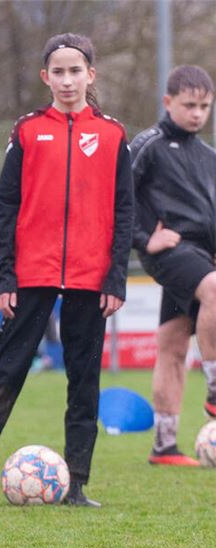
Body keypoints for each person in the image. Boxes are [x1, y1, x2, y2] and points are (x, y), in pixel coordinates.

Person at [0, 33, 133, 508]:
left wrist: (116, 278)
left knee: (83, 383)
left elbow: (125, 211)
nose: (68, 79)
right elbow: (5, 206)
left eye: (76, 71)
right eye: (59, 71)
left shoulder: (113, 134)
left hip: (91, 281)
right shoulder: (28, 131)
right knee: (5, 377)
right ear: (45, 77)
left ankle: (77, 486)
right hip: (31, 275)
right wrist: (4, 277)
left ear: (90, 75)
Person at [131, 65, 216, 467]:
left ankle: (164, 446)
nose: (198, 114)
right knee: (215, 289)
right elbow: (117, 199)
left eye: (205, 106)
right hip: (171, 250)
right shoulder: (148, 144)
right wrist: (145, 238)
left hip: (201, 256)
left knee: (172, 345)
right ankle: (215, 390)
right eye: (189, 105)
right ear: (168, 103)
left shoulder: (207, 155)